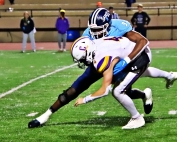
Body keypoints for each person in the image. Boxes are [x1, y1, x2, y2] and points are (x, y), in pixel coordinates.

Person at [28, 8, 177, 128]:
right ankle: (46, 115)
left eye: (98, 29)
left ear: (108, 25)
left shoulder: (119, 26)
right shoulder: (89, 34)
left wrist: (125, 61)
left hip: (126, 57)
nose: (94, 33)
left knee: (120, 90)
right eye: (92, 30)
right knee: (76, 87)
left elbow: (142, 41)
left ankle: (138, 114)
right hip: (102, 57)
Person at [72, 36, 152, 129]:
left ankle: (137, 118)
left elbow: (104, 91)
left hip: (139, 57)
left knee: (117, 91)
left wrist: (85, 99)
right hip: (131, 53)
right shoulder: (96, 43)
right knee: (123, 88)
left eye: (82, 59)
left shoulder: (102, 59)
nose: (83, 62)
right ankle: (145, 94)